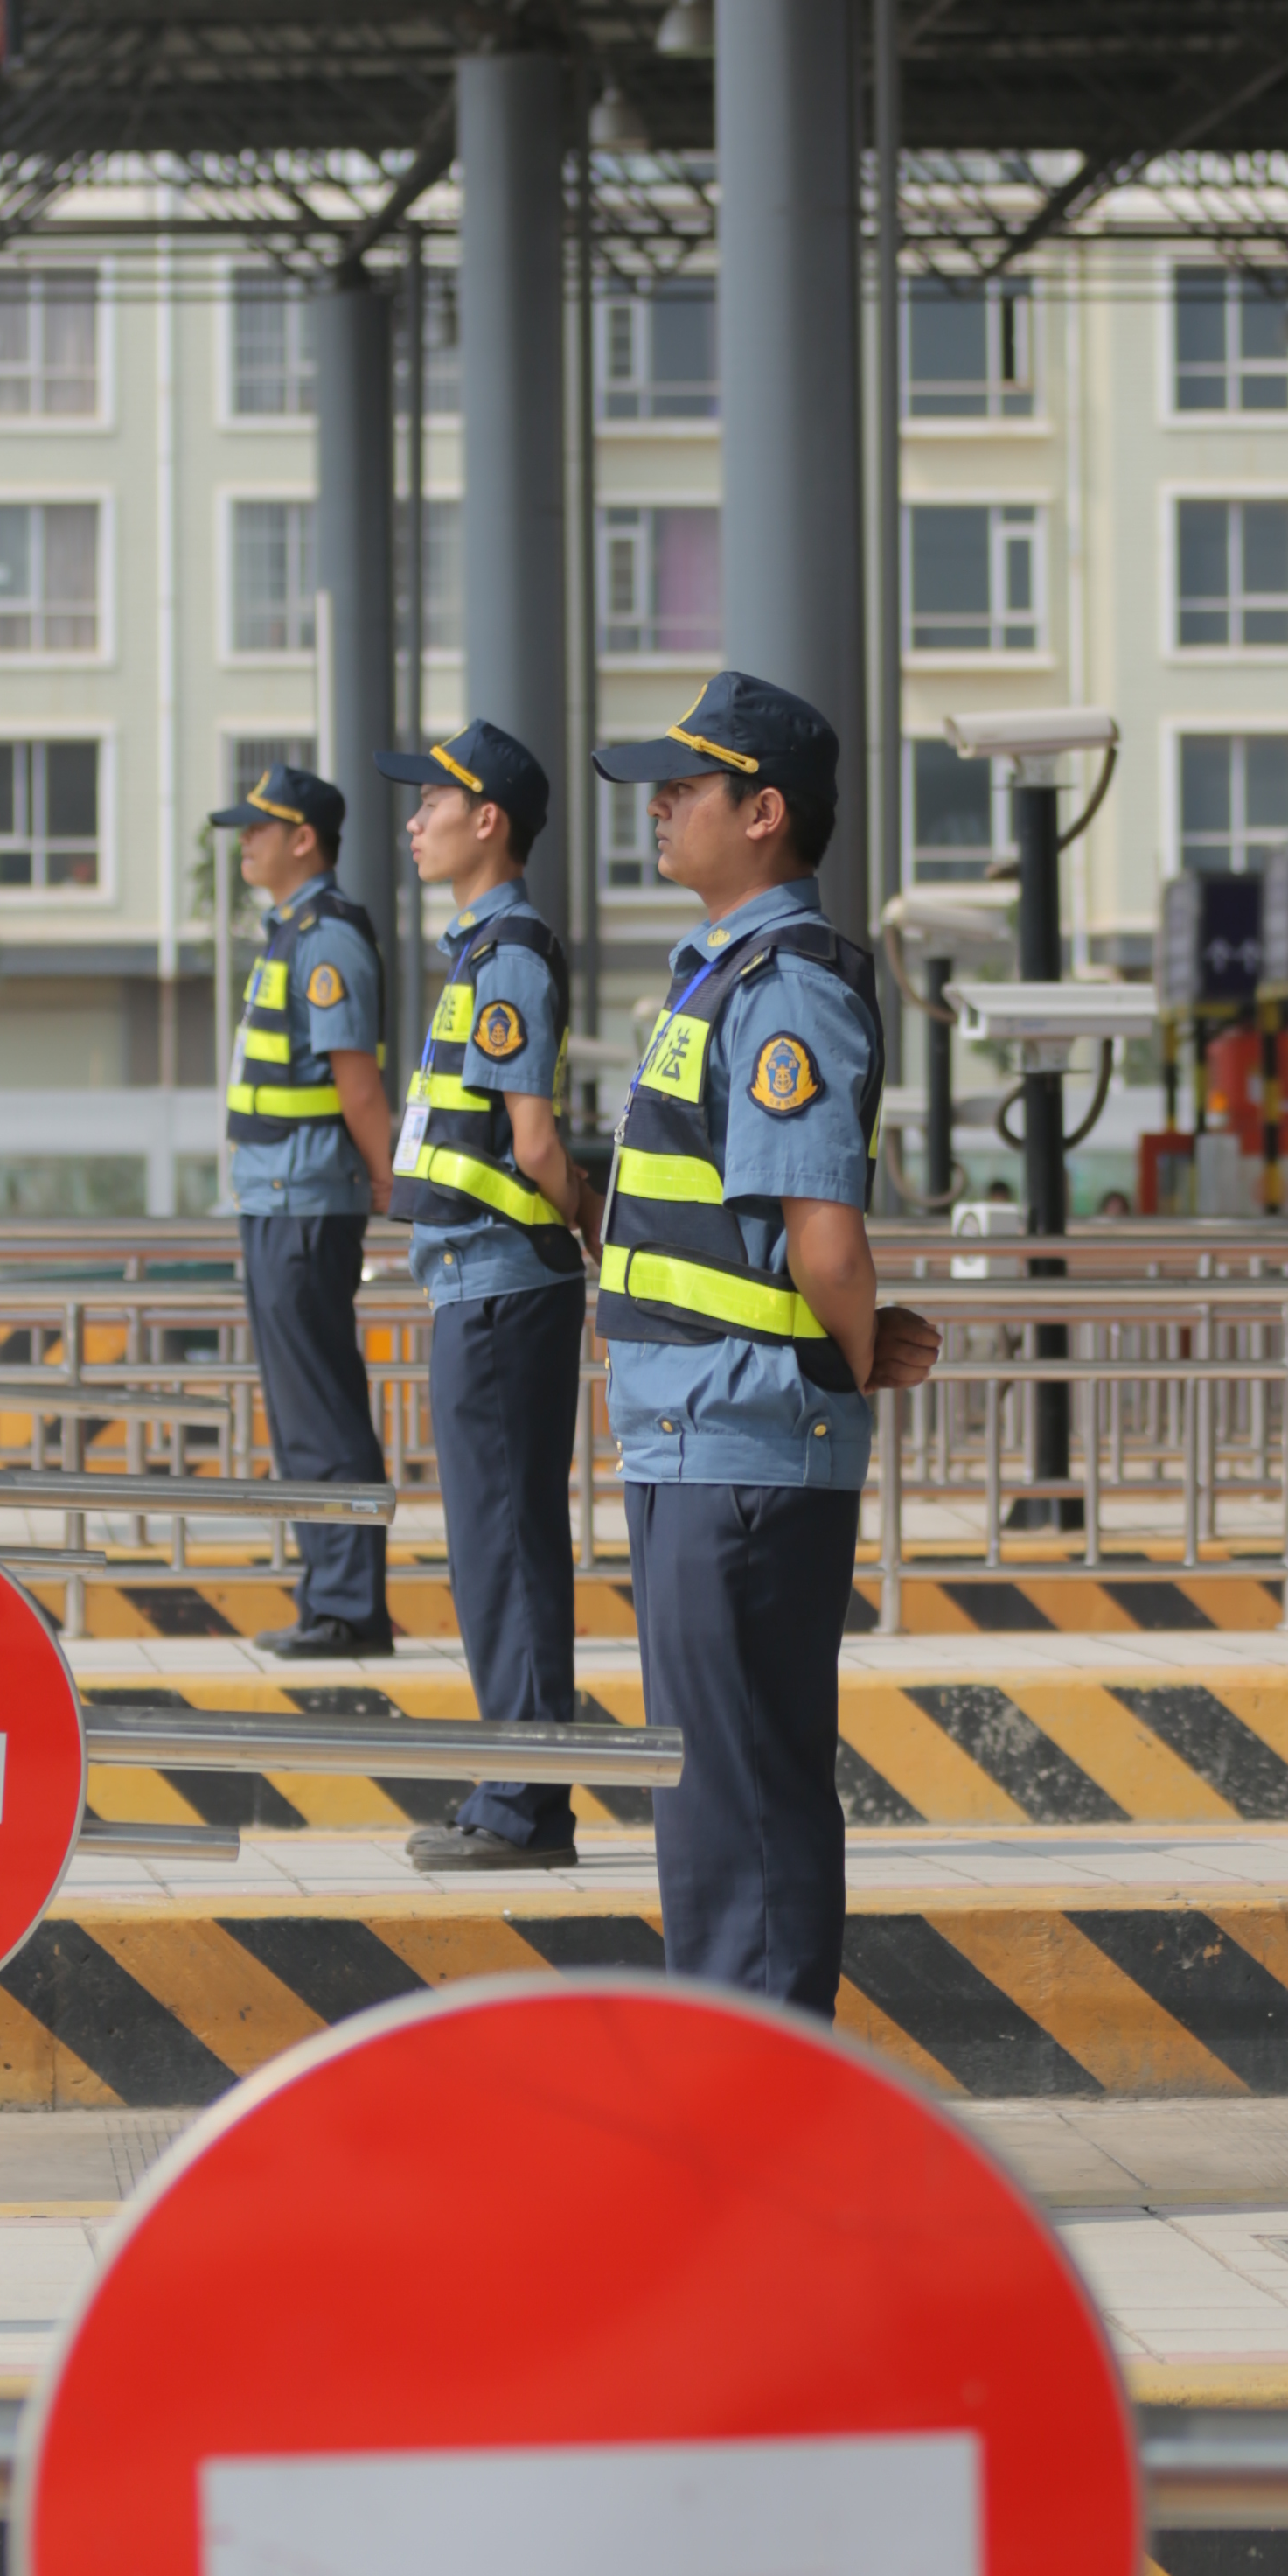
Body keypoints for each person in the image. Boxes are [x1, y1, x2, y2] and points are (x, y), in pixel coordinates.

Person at [585, 668, 941, 2007]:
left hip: (740, 1445)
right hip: (700, 1436)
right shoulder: (727, 978)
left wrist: (839, 1353)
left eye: (685, 788)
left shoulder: (787, 988)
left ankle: (772, 2087)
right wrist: (848, 1341)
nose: (659, 808)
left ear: (764, 813)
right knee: (713, 1803)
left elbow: (824, 1239)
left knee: (743, 1802)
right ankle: (736, 2070)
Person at [379, 717, 596, 1874]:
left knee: (504, 1545)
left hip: (505, 1287)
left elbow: (536, 1142)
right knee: (489, 1545)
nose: (414, 823)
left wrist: (591, 1224)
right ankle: (513, 1783)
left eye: (433, 804)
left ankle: (527, 1802)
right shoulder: (479, 953)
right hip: (476, 1284)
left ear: (489, 820)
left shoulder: (508, 955)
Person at [212, 761, 394, 1663]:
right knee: (300, 1409)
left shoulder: (327, 940)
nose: (244, 842)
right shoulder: (291, 934)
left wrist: (387, 1182)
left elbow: (357, 1084)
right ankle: (331, 1596)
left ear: (303, 840)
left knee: (318, 1405)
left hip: (306, 1199)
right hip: (276, 1196)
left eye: (258, 828)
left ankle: (349, 1606)